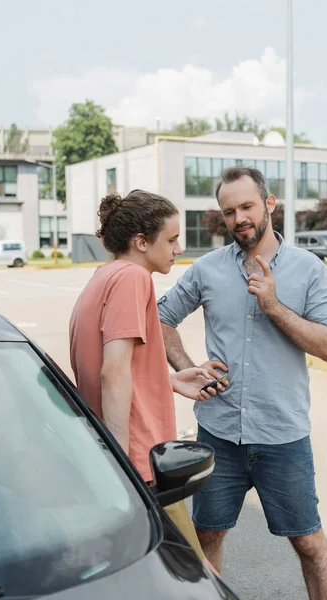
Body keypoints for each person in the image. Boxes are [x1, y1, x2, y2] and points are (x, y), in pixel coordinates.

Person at [158, 167, 327, 600]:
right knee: (206, 541)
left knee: (309, 543)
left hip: (283, 437)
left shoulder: (308, 269)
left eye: (246, 207)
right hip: (219, 434)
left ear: (269, 204)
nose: (239, 218)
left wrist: (274, 306)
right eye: (229, 211)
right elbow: (161, 317)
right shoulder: (206, 270)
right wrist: (190, 366)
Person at [69, 189, 219, 563]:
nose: (178, 248)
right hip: (139, 464)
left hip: (116, 456)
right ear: (140, 242)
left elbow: (108, 366)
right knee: (190, 577)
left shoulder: (101, 278)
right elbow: (113, 373)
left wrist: (166, 380)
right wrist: (123, 468)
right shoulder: (133, 278)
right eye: (170, 239)